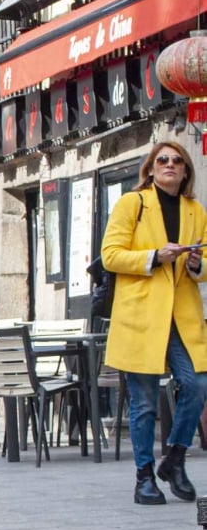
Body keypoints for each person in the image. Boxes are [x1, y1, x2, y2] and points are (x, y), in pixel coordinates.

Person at [101, 140, 207, 505]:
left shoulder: (195, 210)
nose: (170, 165)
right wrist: (154, 257)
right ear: (150, 168)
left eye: (178, 161)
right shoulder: (133, 204)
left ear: (186, 171)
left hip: (182, 316)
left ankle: (175, 458)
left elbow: (205, 262)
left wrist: (196, 265)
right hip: (142, 315)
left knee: (197, 383)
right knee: (144, 404)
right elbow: (110, 255)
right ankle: (144, 476)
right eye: (162, 160)